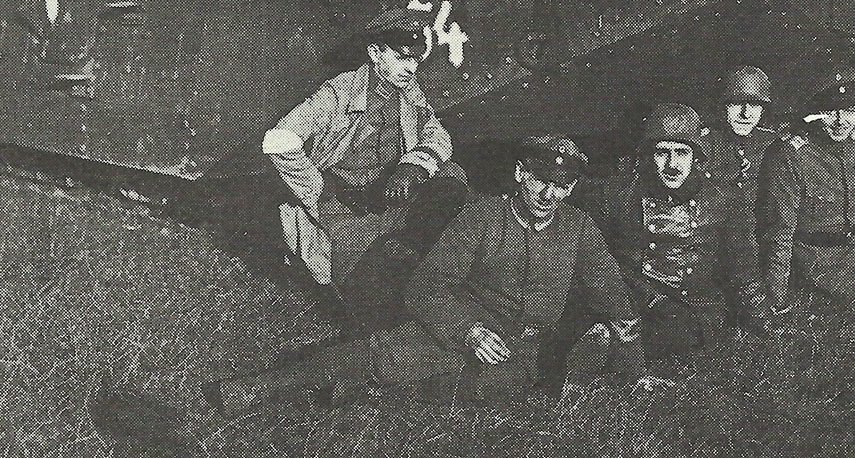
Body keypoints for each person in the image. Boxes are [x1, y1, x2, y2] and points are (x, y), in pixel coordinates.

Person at [205, 136, 643, 413]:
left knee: (481, 394)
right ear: (519, 174)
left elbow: (610, 290)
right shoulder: (483, 217)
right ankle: (259, 388)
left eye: (562, 185)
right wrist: (467, 329)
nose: (550, 194)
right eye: (540, 180)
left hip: (525, 345)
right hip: (464, 325)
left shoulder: (578, 228)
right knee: (386, 357)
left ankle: (379, 390)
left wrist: (631, 354)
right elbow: (427, 284)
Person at [263, 9, 469, 306]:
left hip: (391, 194)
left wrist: (415, 165)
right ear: (375, 53)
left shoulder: (407, 87)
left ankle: (411, 245)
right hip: (343, 208)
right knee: (363, 291)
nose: (410, 68)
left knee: (452, 177)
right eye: (401, 58)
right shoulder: (341, 91)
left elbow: (436, 132)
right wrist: (315, 187)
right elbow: (279, 139)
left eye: (415, 59)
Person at [758, 65, 855, 311]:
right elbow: (778, 233)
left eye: (850, 110)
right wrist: (776, 303)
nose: (841, 121)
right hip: (811, 262)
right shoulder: (790, 155)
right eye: (830, 111)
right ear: (814, 111)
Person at [608, 104, 751, 360]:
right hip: (643, 309)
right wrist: (652, 300)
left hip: (700, 312)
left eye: (682, 153)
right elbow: (607, 263)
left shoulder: (722, 200)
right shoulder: (623, 197)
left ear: (696, 157)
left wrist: (766, 320)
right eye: (662, 153)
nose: (672, 165)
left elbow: (743, 267)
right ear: (649, 156)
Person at [706, 67, 778, 330]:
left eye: (755, 105)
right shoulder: (706, 144)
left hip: (759, 240)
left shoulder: (772, 144)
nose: (747, 114)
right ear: (722, 105)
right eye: (737, 104)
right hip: (715, 245)